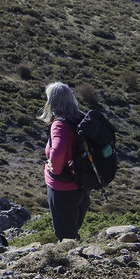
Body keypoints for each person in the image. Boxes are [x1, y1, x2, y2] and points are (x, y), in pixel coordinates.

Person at [43, 82, 88, 241]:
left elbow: (58, 150)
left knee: (65, 235)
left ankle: (71, 261)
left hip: (63, 187)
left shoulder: (59, 125)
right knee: (72, 228)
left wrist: (53, 168)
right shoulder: (80, 117)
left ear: (52, 101)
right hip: (81, 184)